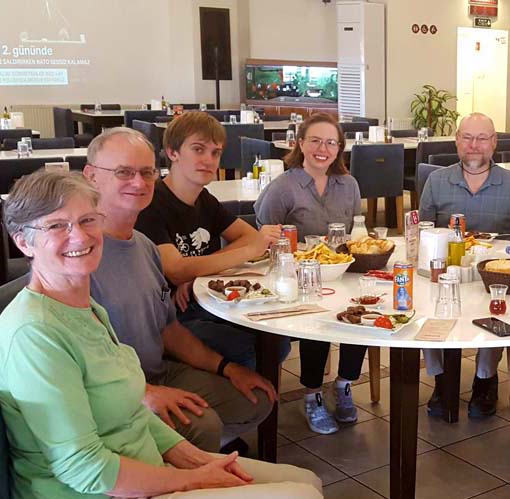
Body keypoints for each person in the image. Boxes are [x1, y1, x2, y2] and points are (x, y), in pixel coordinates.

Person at [0, 170, 322, 499]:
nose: (80, 236)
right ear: (23, 242)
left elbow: (129, 409)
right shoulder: (34, 334)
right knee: (302, 495)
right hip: (96, 490)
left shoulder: (86, 307)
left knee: (307, 480)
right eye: (56, 226)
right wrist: (191, 480)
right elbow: (85, 468)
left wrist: (192, 459)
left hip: (138, 464)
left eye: (87, 220)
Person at [84, 127, 276, 453]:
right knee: (204, 425)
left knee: (257, 399)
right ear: (90, 176)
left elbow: (168, 329)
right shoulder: (78, 253)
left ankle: (181, 450)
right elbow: (77, 360)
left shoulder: (144, 246)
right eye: (123, 172)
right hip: (111, 391)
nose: (139, 182)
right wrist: (141, 392)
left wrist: (227, 368)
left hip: (160, 370)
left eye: (147, 173)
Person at [134, 111, 287, 370]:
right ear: (172, 152)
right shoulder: (152, 204)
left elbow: (247, 236)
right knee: (255, 346)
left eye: (215, 153)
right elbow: (176, 269)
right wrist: (250, 249)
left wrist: (199, 272)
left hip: (204, 298)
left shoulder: (204, 199)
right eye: (198, 149)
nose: (208, 160)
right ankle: (235, 395)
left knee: (276, 336)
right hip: (170, 319)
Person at [418, 112, 510, 419]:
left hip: (497, 274)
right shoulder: (437, 180)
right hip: (447, 273)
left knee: (498, 304)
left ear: (494, 143)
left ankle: (485, 379)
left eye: (482, 138)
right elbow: (423, 234)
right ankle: (441, 379)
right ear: (457, 140)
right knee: (423, 307)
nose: (474, 145)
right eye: (467, 137)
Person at [254, 113, 366, 435]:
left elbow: (354, 233)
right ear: (300, 143)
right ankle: (313, 393)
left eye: (331, 142)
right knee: (318, 319)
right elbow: (264, 239)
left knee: (362, 310)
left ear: (339, 148)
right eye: (315, 140)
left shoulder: (349, 185)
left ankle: (344, 384)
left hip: (343, 271)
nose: (323, 148)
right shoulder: (283, 187)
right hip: (300, 276)